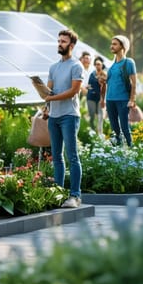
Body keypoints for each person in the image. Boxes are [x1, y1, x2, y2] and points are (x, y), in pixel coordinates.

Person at [43, 29, 85, 209]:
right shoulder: (53, 67)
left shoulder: (77, 66)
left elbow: (74, 91)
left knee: (72, 156)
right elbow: (49, 92)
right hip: (54, 117)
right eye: (59, 41)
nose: (60, 44)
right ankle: (58, 193)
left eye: (63, 41)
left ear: (72, 45)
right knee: (57, 157)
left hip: (69, 116)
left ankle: (75, 196)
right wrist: (46, 107)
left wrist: (51, 99)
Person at [102, 35, 137, 147]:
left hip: (122, 99)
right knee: (114, 127)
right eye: (111, 44)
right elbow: (109, 82)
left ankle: (131, 147)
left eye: (115, 44)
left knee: (124, 126)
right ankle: (119, 148)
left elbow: (134, 83)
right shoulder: (112, 66)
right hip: (110, 99)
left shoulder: (129, 63)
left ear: (122, 46)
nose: (111, 46)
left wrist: (132, 99)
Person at [86, 56, 107, 134]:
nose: (97, 66)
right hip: (91, 97)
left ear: (102, 65)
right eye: (96, 64)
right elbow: (89, 84)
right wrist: (88, 87)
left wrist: (103, 99)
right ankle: (92, 132)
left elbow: (105, 87)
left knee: (100, 116)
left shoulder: (104, 74)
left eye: (99, 64)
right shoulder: (92, 74)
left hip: (100, 98)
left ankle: (100, 134)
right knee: (91, 116)